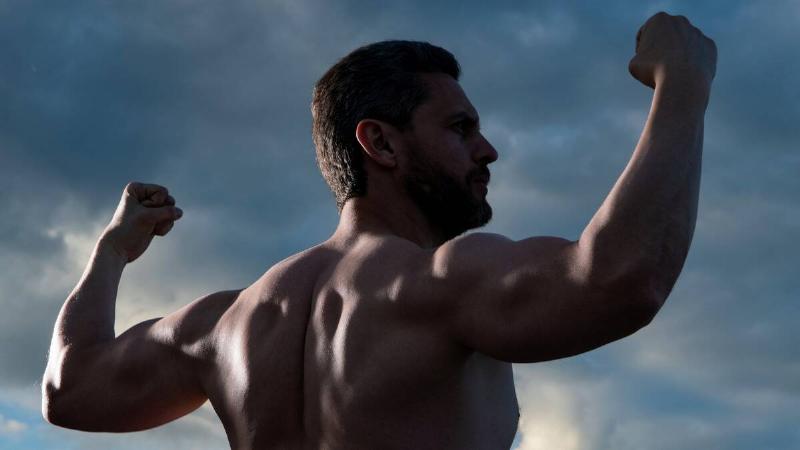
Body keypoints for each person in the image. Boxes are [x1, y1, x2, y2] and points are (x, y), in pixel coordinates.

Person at [41, 12, 716, 450]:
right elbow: (621, 278)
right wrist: (682, 83)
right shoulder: (435, 284)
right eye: (460, 129)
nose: (488, 152)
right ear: (381, 145)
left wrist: (112, 253)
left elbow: (67, 390)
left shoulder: (225, 328)